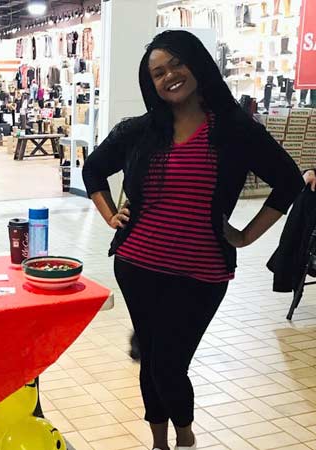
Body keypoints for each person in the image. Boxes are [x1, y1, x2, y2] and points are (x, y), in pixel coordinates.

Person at [82, 30, 303, 450]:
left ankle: (185, 439)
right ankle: (159, 443)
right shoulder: (142, 130)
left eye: (176, 64)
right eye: (158, 73)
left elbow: (289, 182)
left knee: (167, 363)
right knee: (152, 362)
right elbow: (93, 170)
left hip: (201, 273)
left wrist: (245, 235)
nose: (169, 77)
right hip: (137, 264)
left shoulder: (236, 130)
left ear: (197, 63)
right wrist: (111, 215)